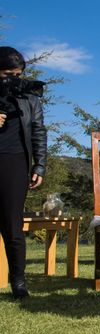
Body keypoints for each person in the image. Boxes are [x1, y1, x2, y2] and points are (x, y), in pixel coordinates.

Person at [0, 46, 46, 300]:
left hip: (15, 162)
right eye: (8, 74)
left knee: (12, 224)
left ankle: (18, 281)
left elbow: (38, 130)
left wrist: (39, 165)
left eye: (18, 74)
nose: (13, 79)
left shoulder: (30, 97)